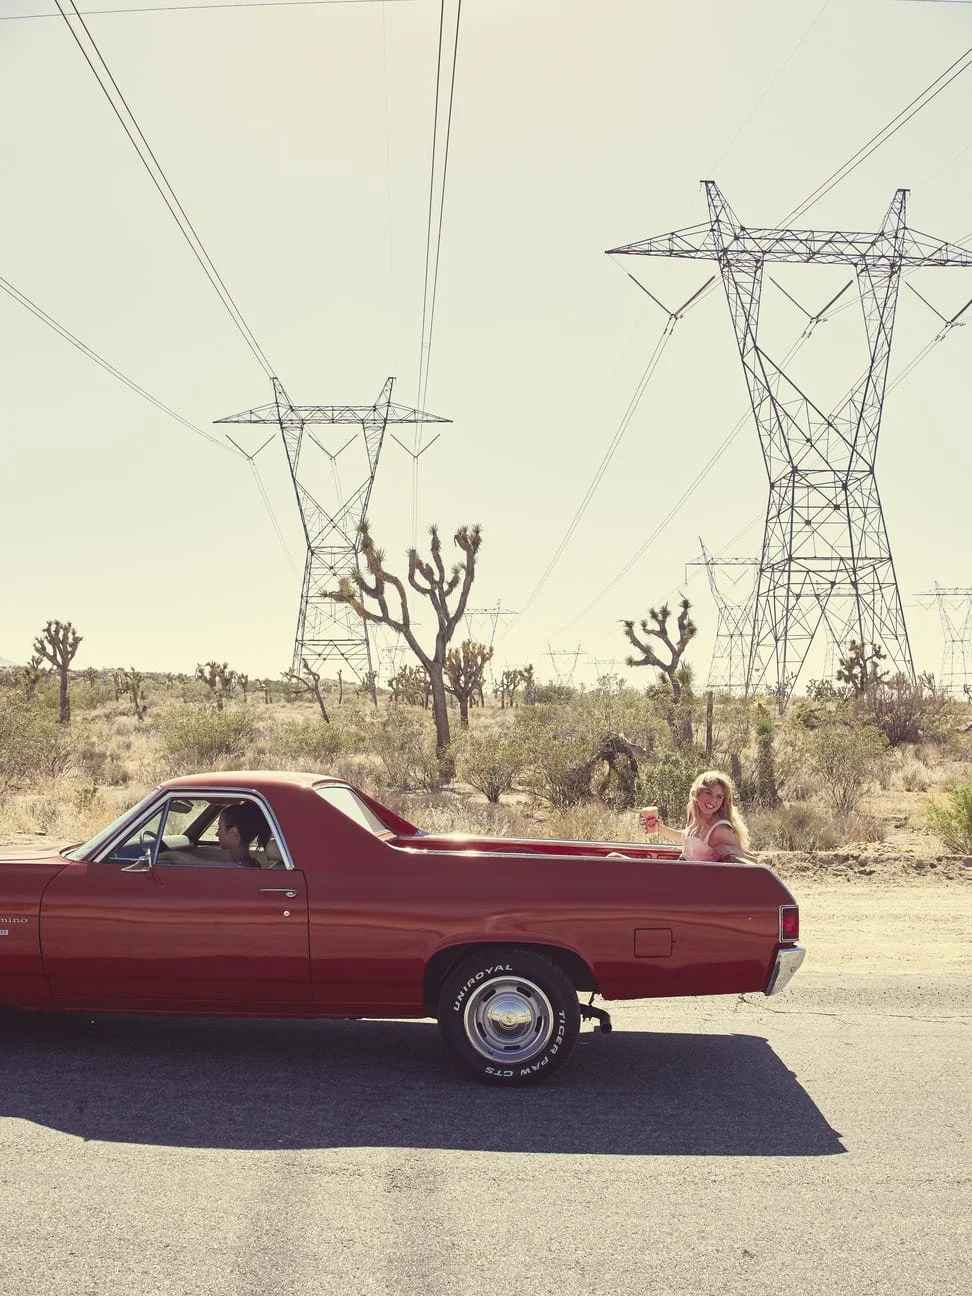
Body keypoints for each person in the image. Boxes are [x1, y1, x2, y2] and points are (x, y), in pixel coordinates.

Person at [640, 770, 754, 863]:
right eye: (708, 793)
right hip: (681, 872)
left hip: (699, 884)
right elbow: (688, 840)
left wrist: (731, 850)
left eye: (719, 797)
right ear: (697, 792)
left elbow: (750, 860)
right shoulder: (692, 810)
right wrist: (660, 828)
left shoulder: (720, 830)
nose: (713, 801)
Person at [216, 802, 270, 868]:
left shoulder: (238, 868)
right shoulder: (252, 865)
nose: (216, 834)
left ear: (232, 831)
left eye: (220, 828)